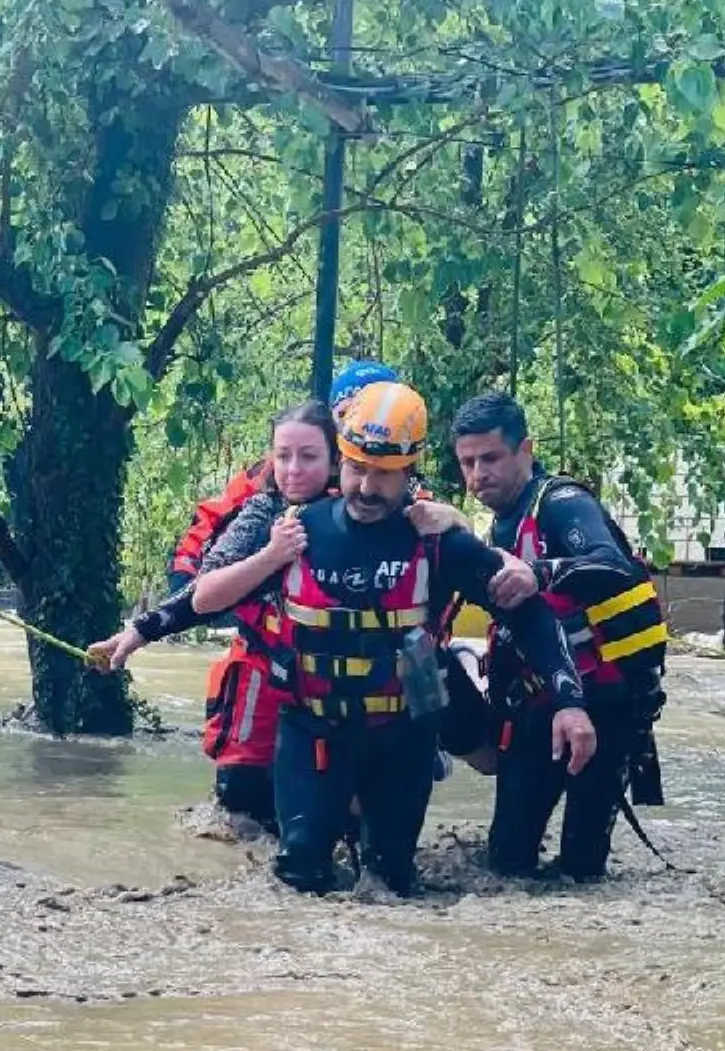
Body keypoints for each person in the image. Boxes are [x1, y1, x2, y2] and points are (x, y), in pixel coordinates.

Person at [191, 381, 595, 897]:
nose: (364, 487)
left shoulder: (438, 542)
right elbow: (202, 601)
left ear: (410, 471)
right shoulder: (297, 532)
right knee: (299, 881)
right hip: (313, 733)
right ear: (341, 460)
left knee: (391, 886)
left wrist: (569, 702)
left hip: (401, 742)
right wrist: (140, 631)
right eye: (356, 468)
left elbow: (531, 616)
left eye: (383, 476)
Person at [412, 389, 667, 881]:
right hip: (535, 706)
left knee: (582, 867)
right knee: (507, 860)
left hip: (606, 705)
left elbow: (611, 564)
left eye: (491, 458)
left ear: (525, 451)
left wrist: (539, 572)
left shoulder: (562, 503)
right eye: (467, 462)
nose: (477, 474)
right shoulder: (499, 527)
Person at [93, 401, 343, 826]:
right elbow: (204, 594)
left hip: (341, 680)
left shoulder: (368, 505)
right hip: (266, 663)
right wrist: (140, 630)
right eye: (283, 456)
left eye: (309, 456)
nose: (294, 469)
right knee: (240, 799)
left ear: (336, 461)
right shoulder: (261, 512)